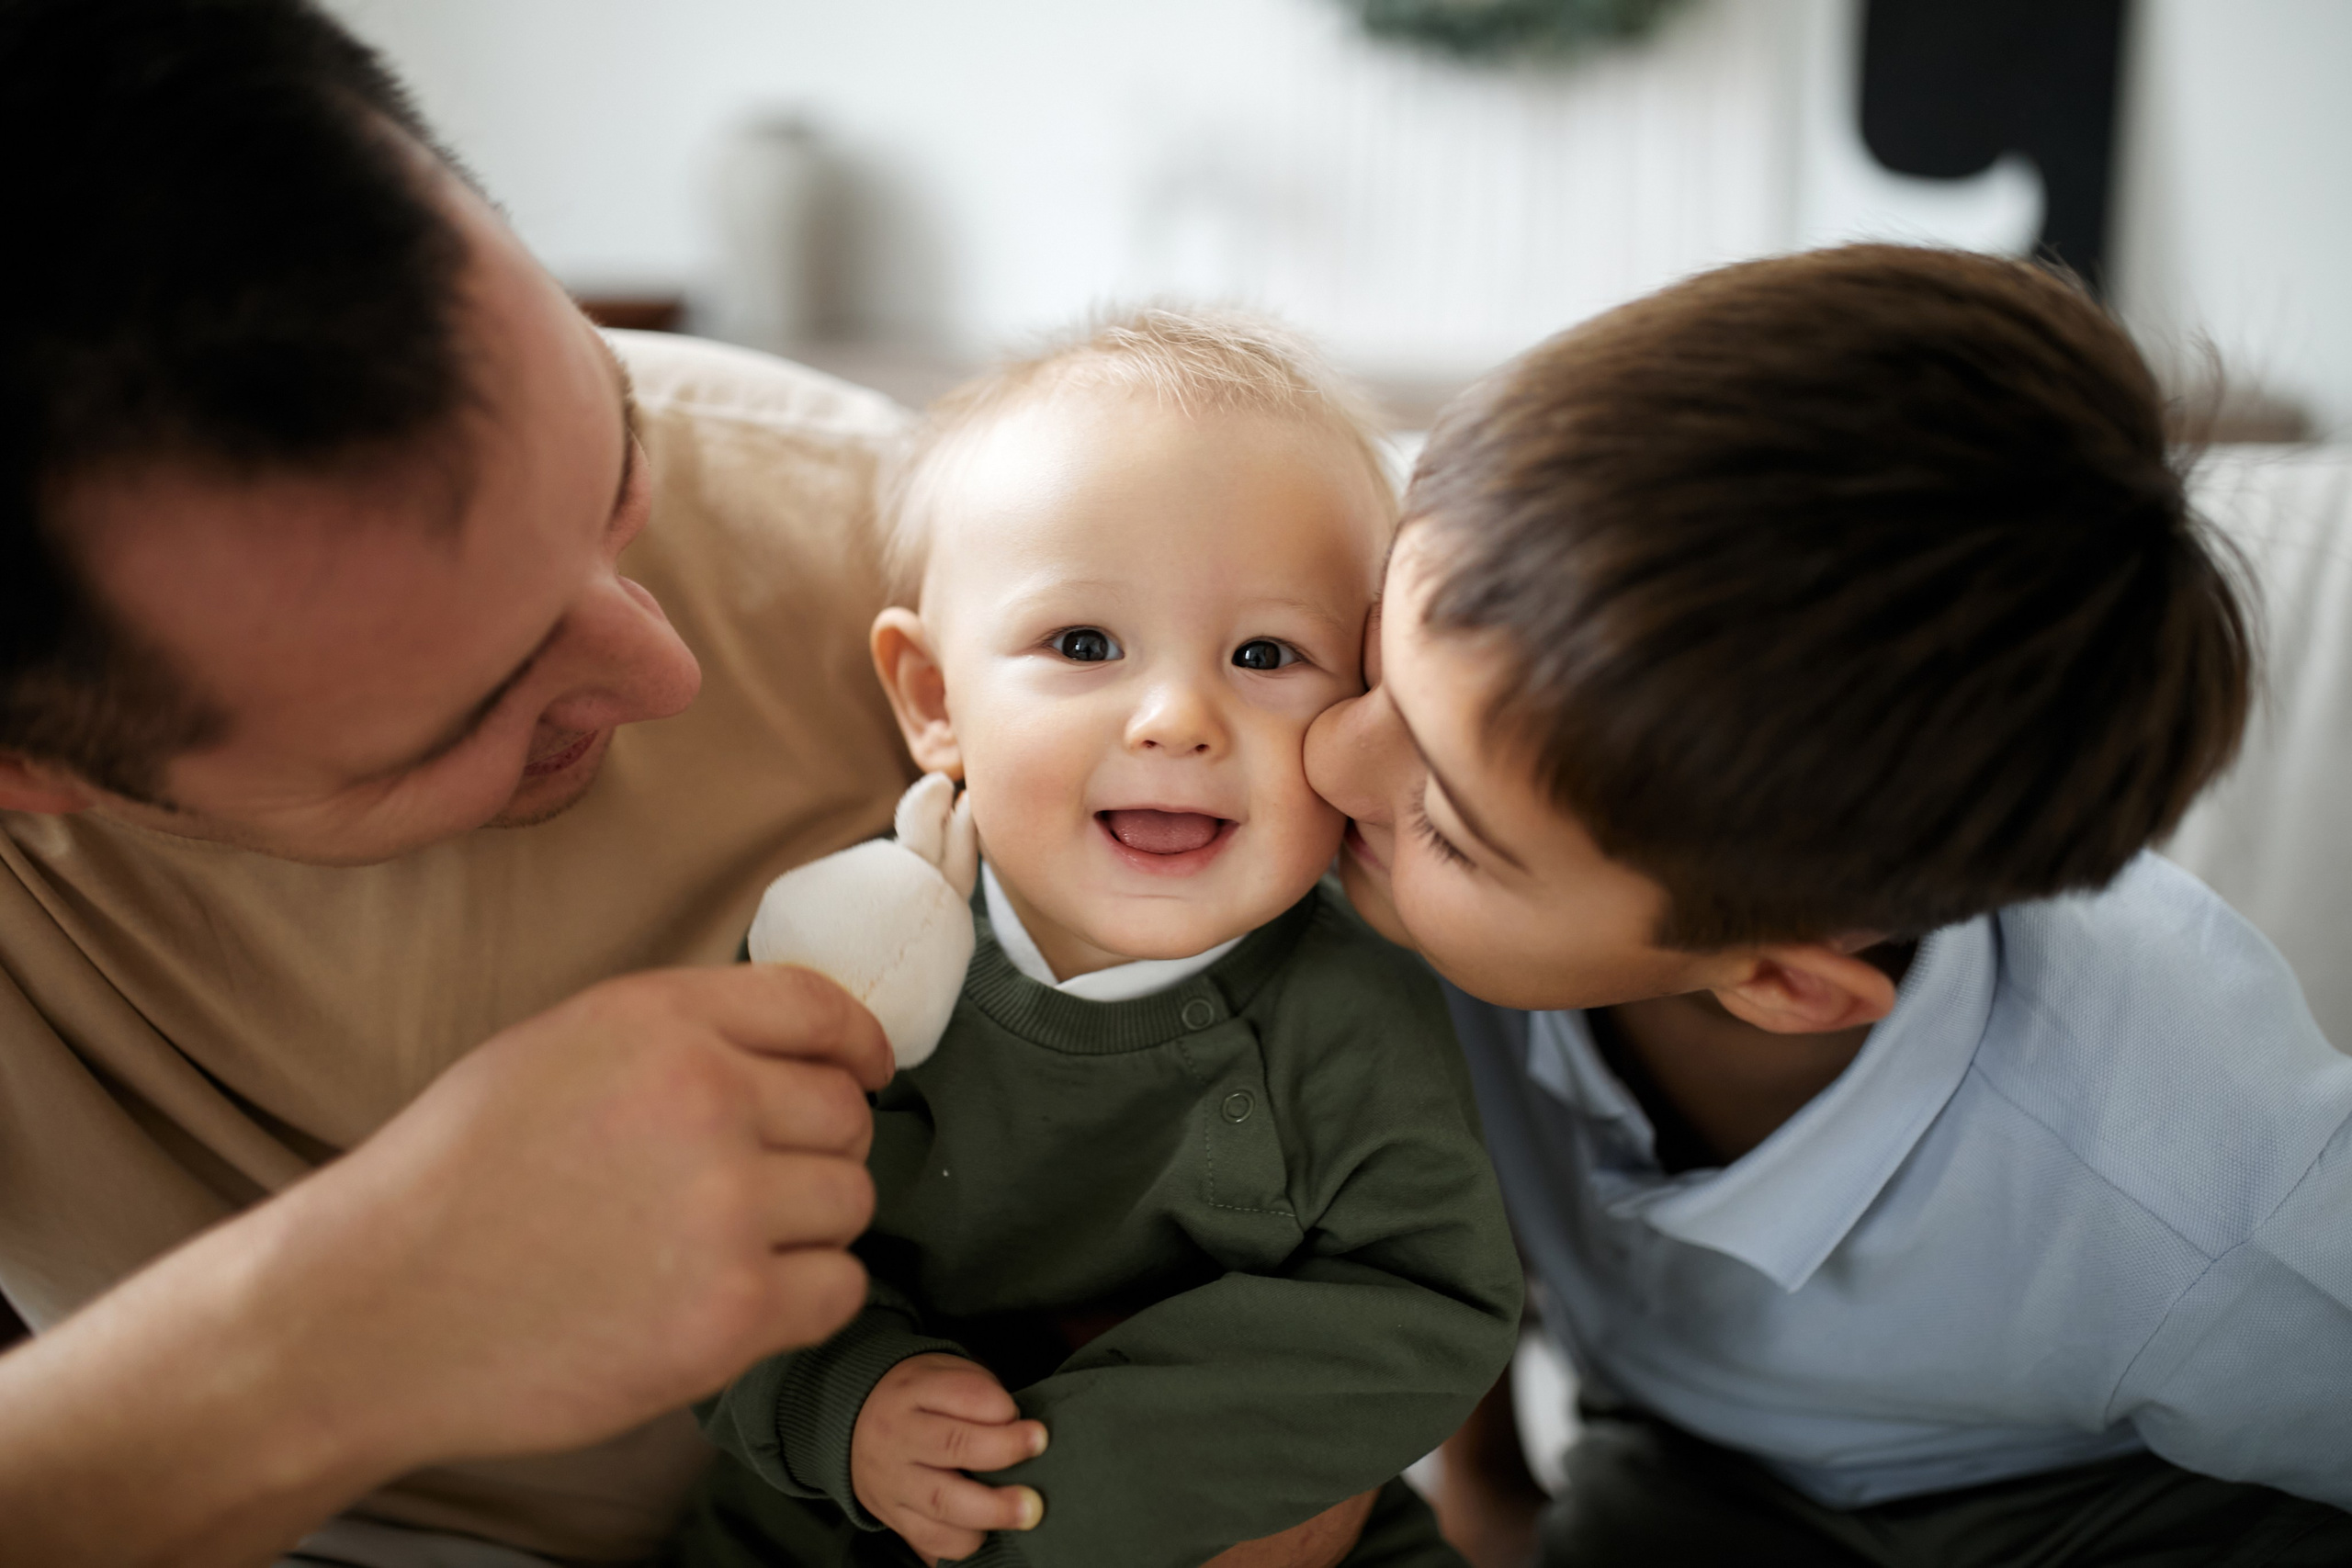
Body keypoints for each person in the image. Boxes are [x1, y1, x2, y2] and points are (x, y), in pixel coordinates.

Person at [0, 2, 913, 1562]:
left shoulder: (949, 548)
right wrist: (343, 1325)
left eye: (617, 468)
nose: (664, 671)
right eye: (471, 710)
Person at [1302, 246, 2352, 1566]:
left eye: (1447, 826)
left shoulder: (2203, 1177)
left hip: (2096, 1503)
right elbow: (1422, 1217)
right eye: (1376, 657)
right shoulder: (1422, 880)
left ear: (1786, 983)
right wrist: (1490, 1482)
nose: (1328, 757)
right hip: (1695, 1457)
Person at [672, 312, 1523, 1568]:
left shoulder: (1354, 1009)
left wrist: (1067, 1483)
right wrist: (842, 1404)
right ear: (934, 700)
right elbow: (702, 1238)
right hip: (843, 1521)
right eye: (1084, 645)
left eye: (1265, 654)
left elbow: (1423, 1308)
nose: (1177, 716)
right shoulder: (852, 956)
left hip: (1219, 1523)